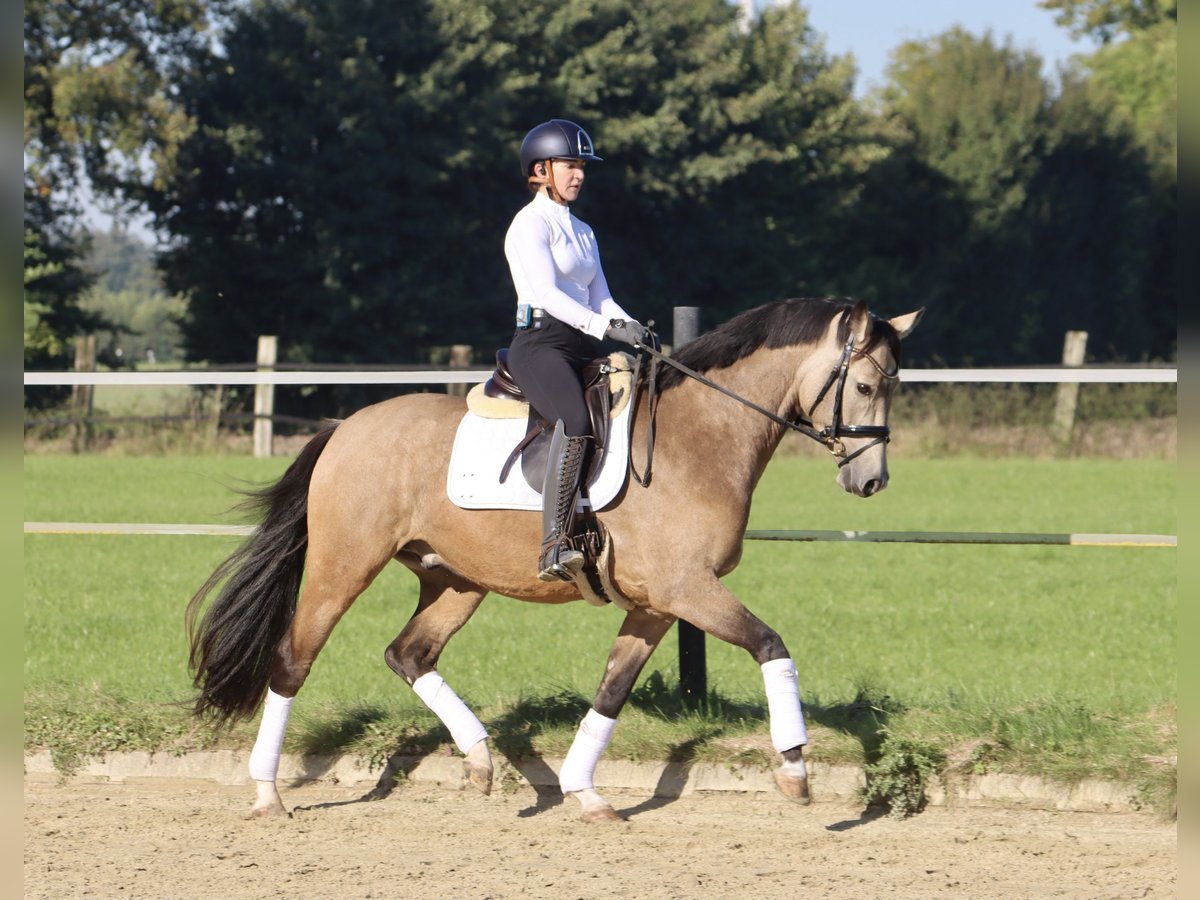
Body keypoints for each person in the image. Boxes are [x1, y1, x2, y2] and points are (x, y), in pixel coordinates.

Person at [503, 118, 648, 582]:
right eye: (569, 165)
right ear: (541, 169)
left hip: (582, 340)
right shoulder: (529, 224)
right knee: (577, 421)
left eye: (582, 166)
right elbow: (548, 294)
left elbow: (600, 295)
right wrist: (606, 326)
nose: (579, 174)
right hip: (539, 343)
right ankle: (553, 544)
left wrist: (632, 328)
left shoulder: (584, 231)